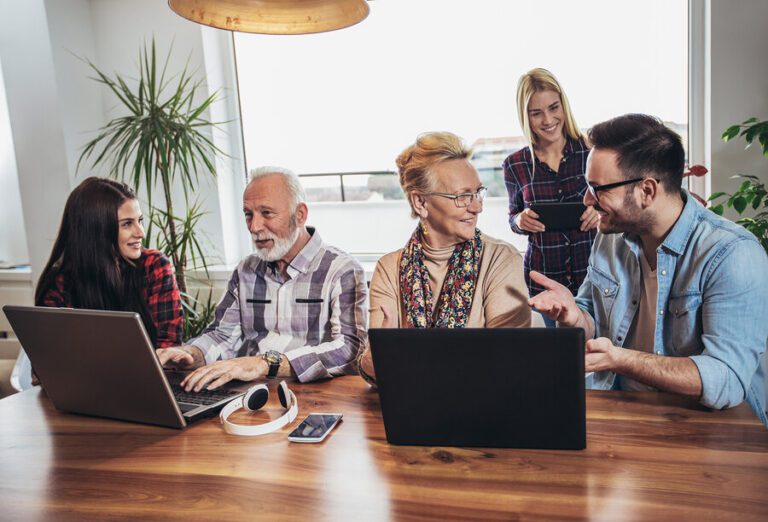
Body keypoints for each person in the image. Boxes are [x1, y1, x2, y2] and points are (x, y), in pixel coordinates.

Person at [529, 114, 768, 424]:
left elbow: (726, 380)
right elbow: (591, 321)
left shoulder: (731, 254)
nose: (587, 200)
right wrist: (574, 315)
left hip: (705, 426)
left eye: (597, 188)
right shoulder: (610, 237)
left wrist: (621, 360)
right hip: (621, 412)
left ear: (647, 191)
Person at [158, 166, 368, 390]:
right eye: (248, 214)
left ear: (300, 215)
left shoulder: (342, 270)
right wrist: (190, 353)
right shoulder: (246, 270)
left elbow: (351, 349)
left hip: (313, 394)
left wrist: (265, 364)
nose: (254, 227)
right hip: (246, 393)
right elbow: (222, 335)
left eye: (267, 213)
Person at [358, 132, 531, 383]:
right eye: (462, 196)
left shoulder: (501, 260)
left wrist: (402, 358)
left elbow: (507, 360)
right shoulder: (388, 268)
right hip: (409, 409)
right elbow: (376, 372)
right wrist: (375, 358)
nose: (477, 207)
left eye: (477, 193)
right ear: (420, 202)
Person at [36, 176, 183, 348]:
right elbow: (51, 357)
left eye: (139, 221)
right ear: (97, 230)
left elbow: (169, 348)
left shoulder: (154, 265)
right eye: (127, 224)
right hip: (84, 375)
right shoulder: (60, 283)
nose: (141, 232)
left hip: (150, 374)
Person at [502, 68, 599, 327]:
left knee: (598, 353)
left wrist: (600, 213)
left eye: (554, 107)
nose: (548, 119)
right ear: (526, 117)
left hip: (595, 274)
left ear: (563, 106)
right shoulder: (515, 164)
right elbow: (513, 217)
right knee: (562, 359)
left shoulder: (592, 151)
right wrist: (520, 221)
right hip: (546, 279)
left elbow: (616, 204)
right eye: (536, 113)